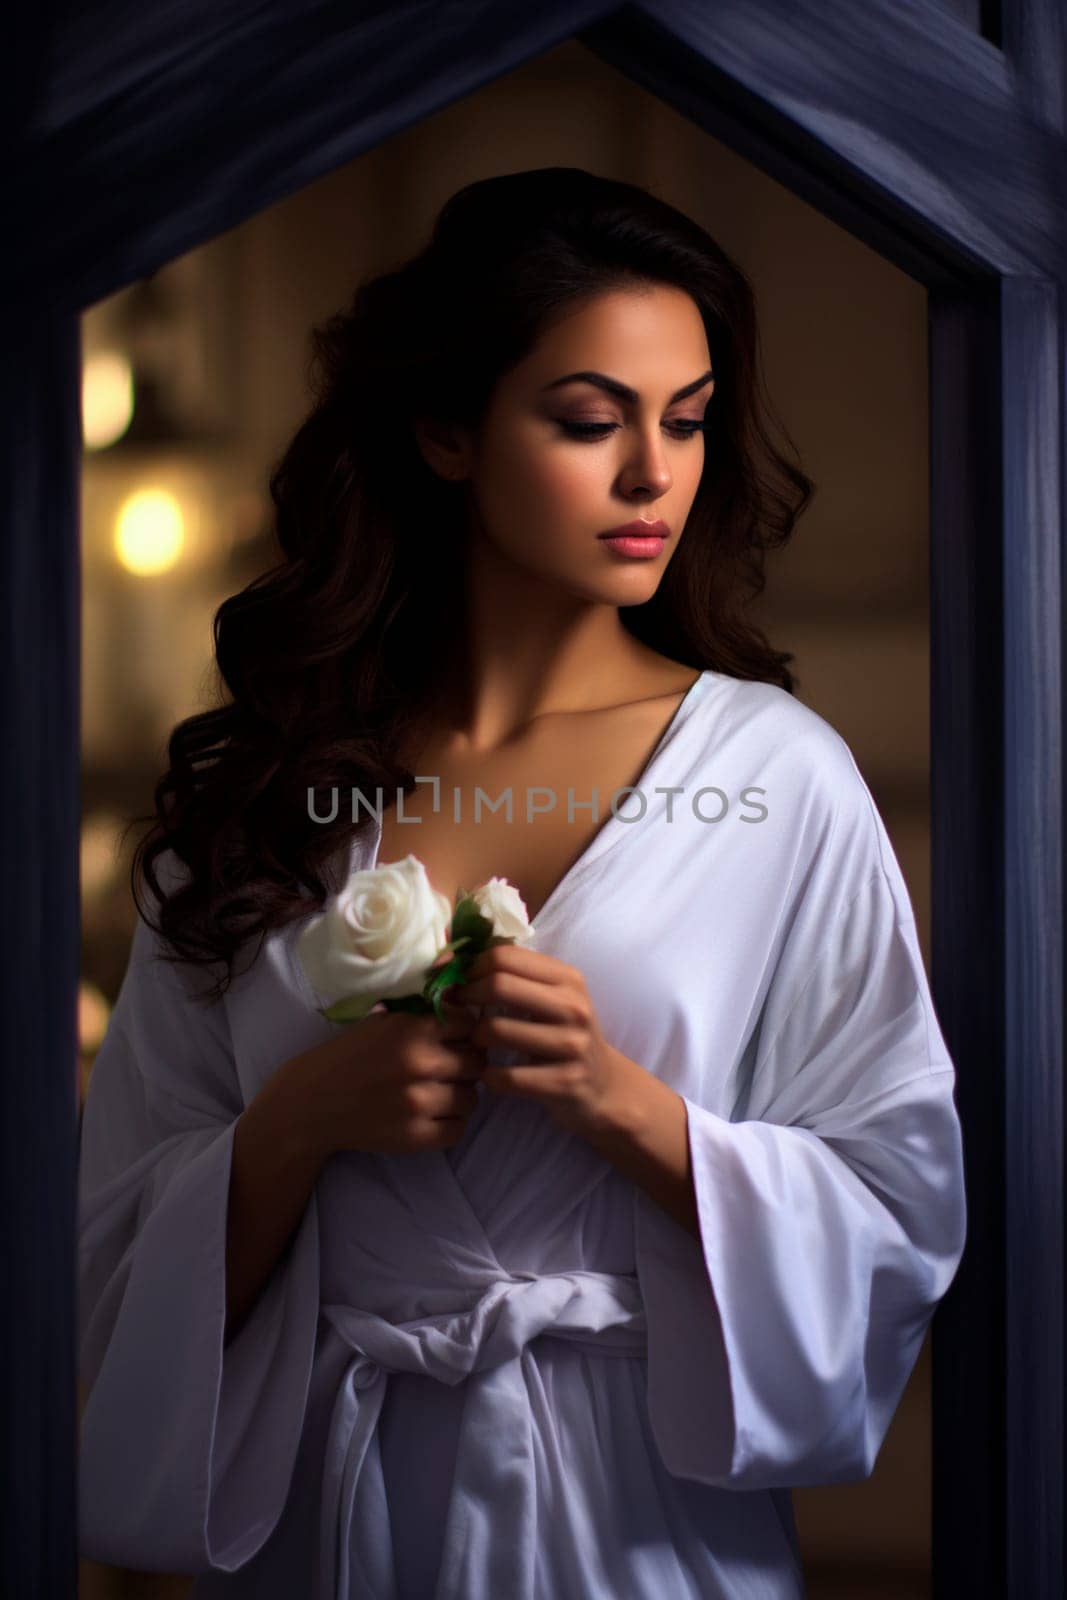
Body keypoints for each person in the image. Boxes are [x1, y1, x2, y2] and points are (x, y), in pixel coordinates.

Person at [77, 166, 968, 1599]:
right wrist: (295, 1127)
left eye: (685, 421)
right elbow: (108, 1259)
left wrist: (630, 1110)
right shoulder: (266, 794)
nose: (651, 477)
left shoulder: (778, 779)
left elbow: (899, 1209)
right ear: (446, 430)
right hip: (332, 1515)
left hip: (639, 1529)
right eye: (586, 419)